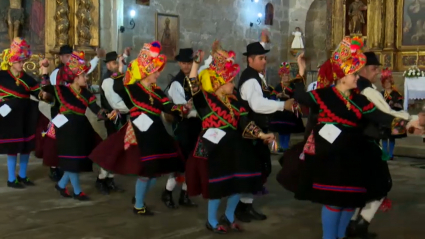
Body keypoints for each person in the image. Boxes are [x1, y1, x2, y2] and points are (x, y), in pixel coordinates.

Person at [289, 36, 407, 239]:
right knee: (334, 201)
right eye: (353, 73)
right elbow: (299, 96)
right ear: (342, 76)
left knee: (348, 202)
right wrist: (300, 72)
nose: (356, 77)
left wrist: (411, 123)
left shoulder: (360, 99)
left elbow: (382, 117)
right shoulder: (324, 95)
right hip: (330, 159)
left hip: (353, 158)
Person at [89, 41, 191, 215]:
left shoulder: (157, 91)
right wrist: (126, 68)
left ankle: (138, 198)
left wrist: (183, 108)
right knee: (145, 171)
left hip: (156, 132)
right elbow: (119, 85)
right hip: (139, 135)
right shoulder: (132, 89)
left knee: (154, 172)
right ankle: (138, 205)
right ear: (146, 72)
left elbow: (168, 106)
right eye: (155, 71)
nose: (158, 74)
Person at [185, 42, 275, 233]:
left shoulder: (235, 104)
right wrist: (195, 64)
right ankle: (211, 220)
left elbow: (245, 123)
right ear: (219, 82)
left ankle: (229, 216)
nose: (234, 85)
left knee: (238, 184)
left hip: (235, 148)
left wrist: (260, 134)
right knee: (218, 186)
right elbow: (194, 86)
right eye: (230, 81)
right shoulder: (205, 102)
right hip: (215, 150)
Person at [40, 51, 117, 201]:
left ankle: (62, 185)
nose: (86, 78)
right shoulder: (60, 90)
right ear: (75, 78)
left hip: (81, 130)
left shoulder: (87, 94)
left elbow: (97, 110)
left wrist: (107, 114)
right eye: (84, 76)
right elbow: (45, 93)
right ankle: (77, 191)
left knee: (75, 161)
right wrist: (44, 72)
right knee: (72, 161)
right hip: (65, 131)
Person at [346, 57, 410, 238]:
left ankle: (353, 224)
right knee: (381, 185)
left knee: (361, 186)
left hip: (358, 143)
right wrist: (413, 121)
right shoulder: (367, 91)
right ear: (362, 70)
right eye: (374, 69)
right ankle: (359, 225)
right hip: (368, 143)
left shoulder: (357, 89)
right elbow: (385, 116)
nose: (377, 73)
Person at [235, 30, 294, 222]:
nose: (264, 61)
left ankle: (245, 206)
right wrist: (281, 105)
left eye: (264, 58)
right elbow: (256, 104)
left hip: (255, 130)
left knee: (256, 168)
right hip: (250, 131)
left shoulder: (255, 77)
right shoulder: (251, 79)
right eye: (261, 58)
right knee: (253, 169)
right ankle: (241, 208)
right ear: (250, 60)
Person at [0, 37, 49, 188]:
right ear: (11, 61)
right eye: (19, 61)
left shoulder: (27, 79)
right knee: (13, 148)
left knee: (27, 147)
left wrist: (44, 75)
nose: (22, 64)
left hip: (26, 116)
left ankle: (22, 175)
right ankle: (11, 179)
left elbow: (41, 94)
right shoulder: (2, 76)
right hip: (10, 118)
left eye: (23, 61)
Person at [161, 48, 201, 208]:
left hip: (195, 126)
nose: (186, 66)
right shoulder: (176, 83)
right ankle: (167, 192)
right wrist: (201, 114)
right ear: (179, 63)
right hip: (182, 127)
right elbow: (182, 108)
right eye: (183, 63)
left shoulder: (194, 79)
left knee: (193, 162)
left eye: (189, 63)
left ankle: (185, 195)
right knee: (181, 163)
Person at [96, 51, 129, 195]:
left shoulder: (117, 78)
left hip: (121, 117)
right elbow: (115, 103)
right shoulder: (108, 81)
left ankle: (110, 179)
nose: (117, 65)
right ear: (109, 65)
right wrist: (133, 107)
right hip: (113, 119)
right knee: (111, 150)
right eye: (115, 63)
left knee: (118, 150)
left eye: (118, 62)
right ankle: (101, 179)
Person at [269, 62, 305, 152]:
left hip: (289, 111)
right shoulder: (278, 87)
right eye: (284, 76)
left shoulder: (293, 86)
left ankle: (285, 145)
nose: (285, 78)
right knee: (281, 129)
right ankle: (281, 145)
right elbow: (272, 96)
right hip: (280, 111)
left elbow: (297, 96)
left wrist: (288, 97)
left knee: (287, 129)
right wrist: (277, 96)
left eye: (287, 76)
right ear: (281, 76)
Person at [380, 68, 407, 159]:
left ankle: (390, 154)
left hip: (392, 118)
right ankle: (384, 153)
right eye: (385, 82)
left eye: (388, 82)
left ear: (391, 82)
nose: (387, 84)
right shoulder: (381, 93)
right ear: (383, 83)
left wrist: (394, 105)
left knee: (391, 137)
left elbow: (400, 105)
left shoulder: (396, 94)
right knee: (384, 136)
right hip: (383, 118)